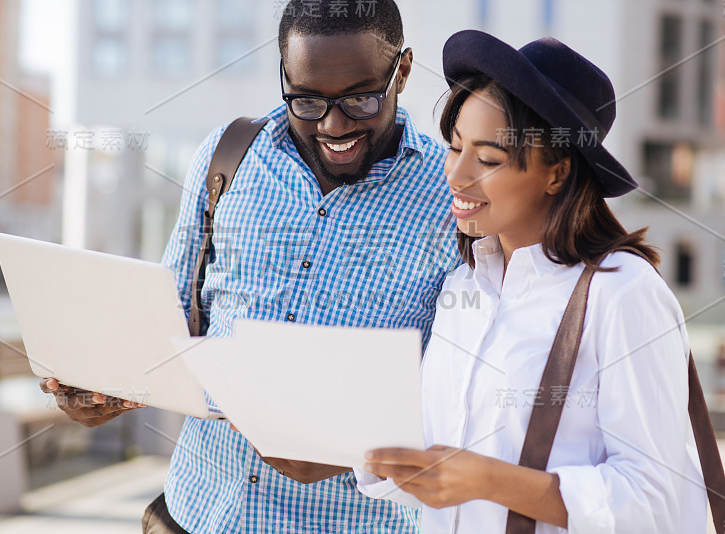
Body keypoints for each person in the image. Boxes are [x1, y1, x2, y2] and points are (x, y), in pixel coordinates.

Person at [40, 1, 458, 532]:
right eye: (306, 100)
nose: (333, 125)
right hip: (194, 512)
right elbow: (171, 321)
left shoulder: (453, 200)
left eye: (359, 98)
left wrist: (356, 451)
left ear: (402, 70)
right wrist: (102, 387)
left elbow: (467, 399)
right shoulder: (227, 156)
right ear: (283, 73)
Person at [359, 30, 708, 533]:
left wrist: (491, 480)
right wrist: (337, 440)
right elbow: (438, 456)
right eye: (454, 148)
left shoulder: (623, 292)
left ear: (557, 173)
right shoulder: (465, 288)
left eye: (487, 159)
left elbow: (651, 499)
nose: (456, 175)